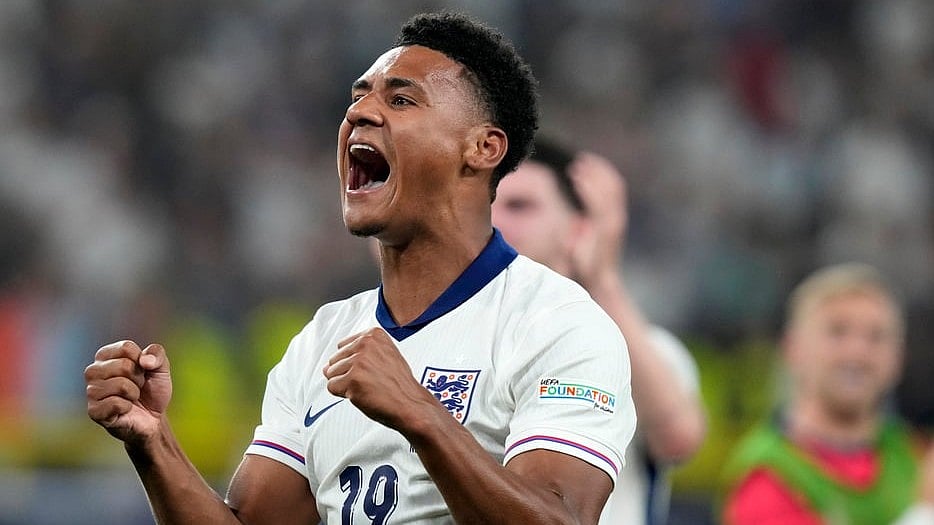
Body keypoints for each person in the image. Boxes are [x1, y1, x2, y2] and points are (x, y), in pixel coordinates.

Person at [84, 12, 637, 524]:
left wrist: (421, 413)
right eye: (358, 98)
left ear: (483, 148)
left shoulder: (558, 325)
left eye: (401, 101)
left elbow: (561, 517)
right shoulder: (322, 341)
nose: (359, 113)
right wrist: (153, 441)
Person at [490, 139, 706, 525]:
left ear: (578, 230)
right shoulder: (448, 343)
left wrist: (602, 279)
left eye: (519, 206)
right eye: (484, 203)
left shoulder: (646, 350)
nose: (494, 221)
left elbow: (679, 437)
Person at [720, 263, 934, 524]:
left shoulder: (910, 454)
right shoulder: (767, 473)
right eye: (837, 332)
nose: (857, 352)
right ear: (793, 348)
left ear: (898, 359)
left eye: (876, 337)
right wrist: (924, 513)